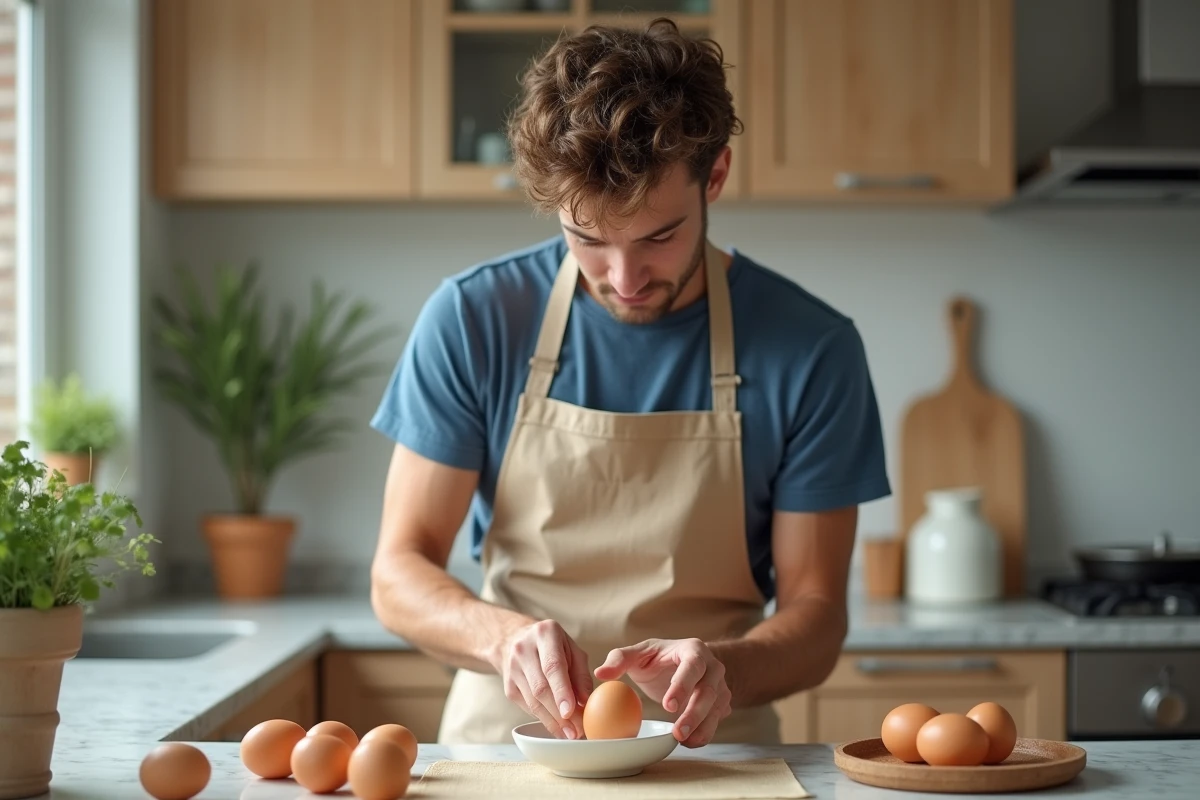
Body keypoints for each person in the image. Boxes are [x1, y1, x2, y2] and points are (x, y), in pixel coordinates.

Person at [368, 18, 890, 748]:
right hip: (505, 740)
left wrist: (727, 670)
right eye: (586, 240)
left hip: (712, 746)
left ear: (715, 176)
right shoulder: (474, 318)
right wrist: (500, 640)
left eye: (658, 237)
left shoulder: (812, 349)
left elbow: (817, 613)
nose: (624, 279)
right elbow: (399, 570)